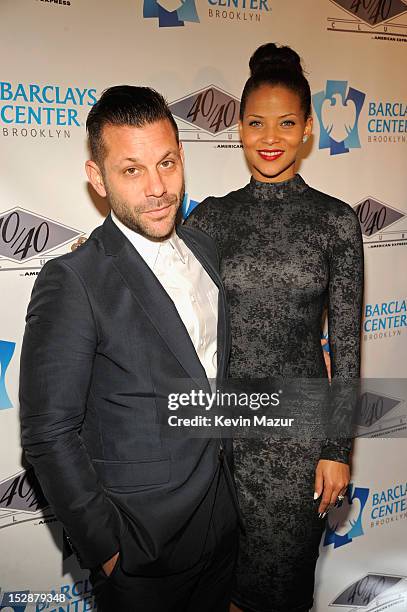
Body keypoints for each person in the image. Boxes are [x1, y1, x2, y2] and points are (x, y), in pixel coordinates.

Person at [19, 85, 239, 612]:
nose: (158, 187)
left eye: (166, 162)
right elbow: (48, 432)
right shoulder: (73, 278)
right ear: (98, 177)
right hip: (141, 550)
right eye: (132, 170)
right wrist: (108, 549)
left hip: (223, 524)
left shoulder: (205, 249)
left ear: (183, 156)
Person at [186, 43, 364, 612]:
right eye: (257, 122)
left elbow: (347, 346)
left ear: (308, 129)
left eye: (287, 123)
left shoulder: (336, 222)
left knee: (278, 593)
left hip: (296, 443)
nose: (270, 136)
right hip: (218, 441)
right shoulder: (212, 216)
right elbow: (162, 297)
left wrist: (337, 448)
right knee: (218, 587)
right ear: (238, 127)